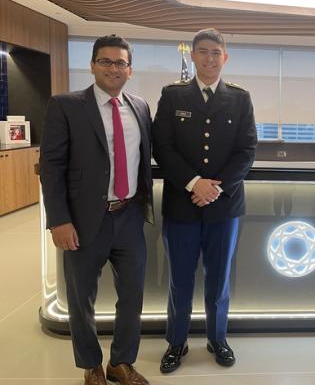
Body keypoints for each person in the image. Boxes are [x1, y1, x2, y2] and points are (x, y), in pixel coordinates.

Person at [40, 35, 153, 385]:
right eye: (105, 61)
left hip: (130, 215)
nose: (113, 68)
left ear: (130, 70)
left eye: (120, 63)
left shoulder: (141, 107)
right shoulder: (66, 105)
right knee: (81, 298)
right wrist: (58, 219)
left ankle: (122, 362)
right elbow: (52, 166)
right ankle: (91, 365)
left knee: (132, 296)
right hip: (84, 220)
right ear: (92, 66)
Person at [153, 28, 257, 374]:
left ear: (225, 58)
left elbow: (246, 150)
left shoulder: (240, 99)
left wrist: (215, 187)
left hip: (224, 207)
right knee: (180, 279)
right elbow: (162, 148)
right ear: (192, 56)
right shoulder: (172, 96)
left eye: (216, 52)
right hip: (182, 206)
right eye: (203, 52)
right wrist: (195, 183)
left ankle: (218, 339)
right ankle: (176, 342)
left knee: (219, 279)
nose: (209, 58)